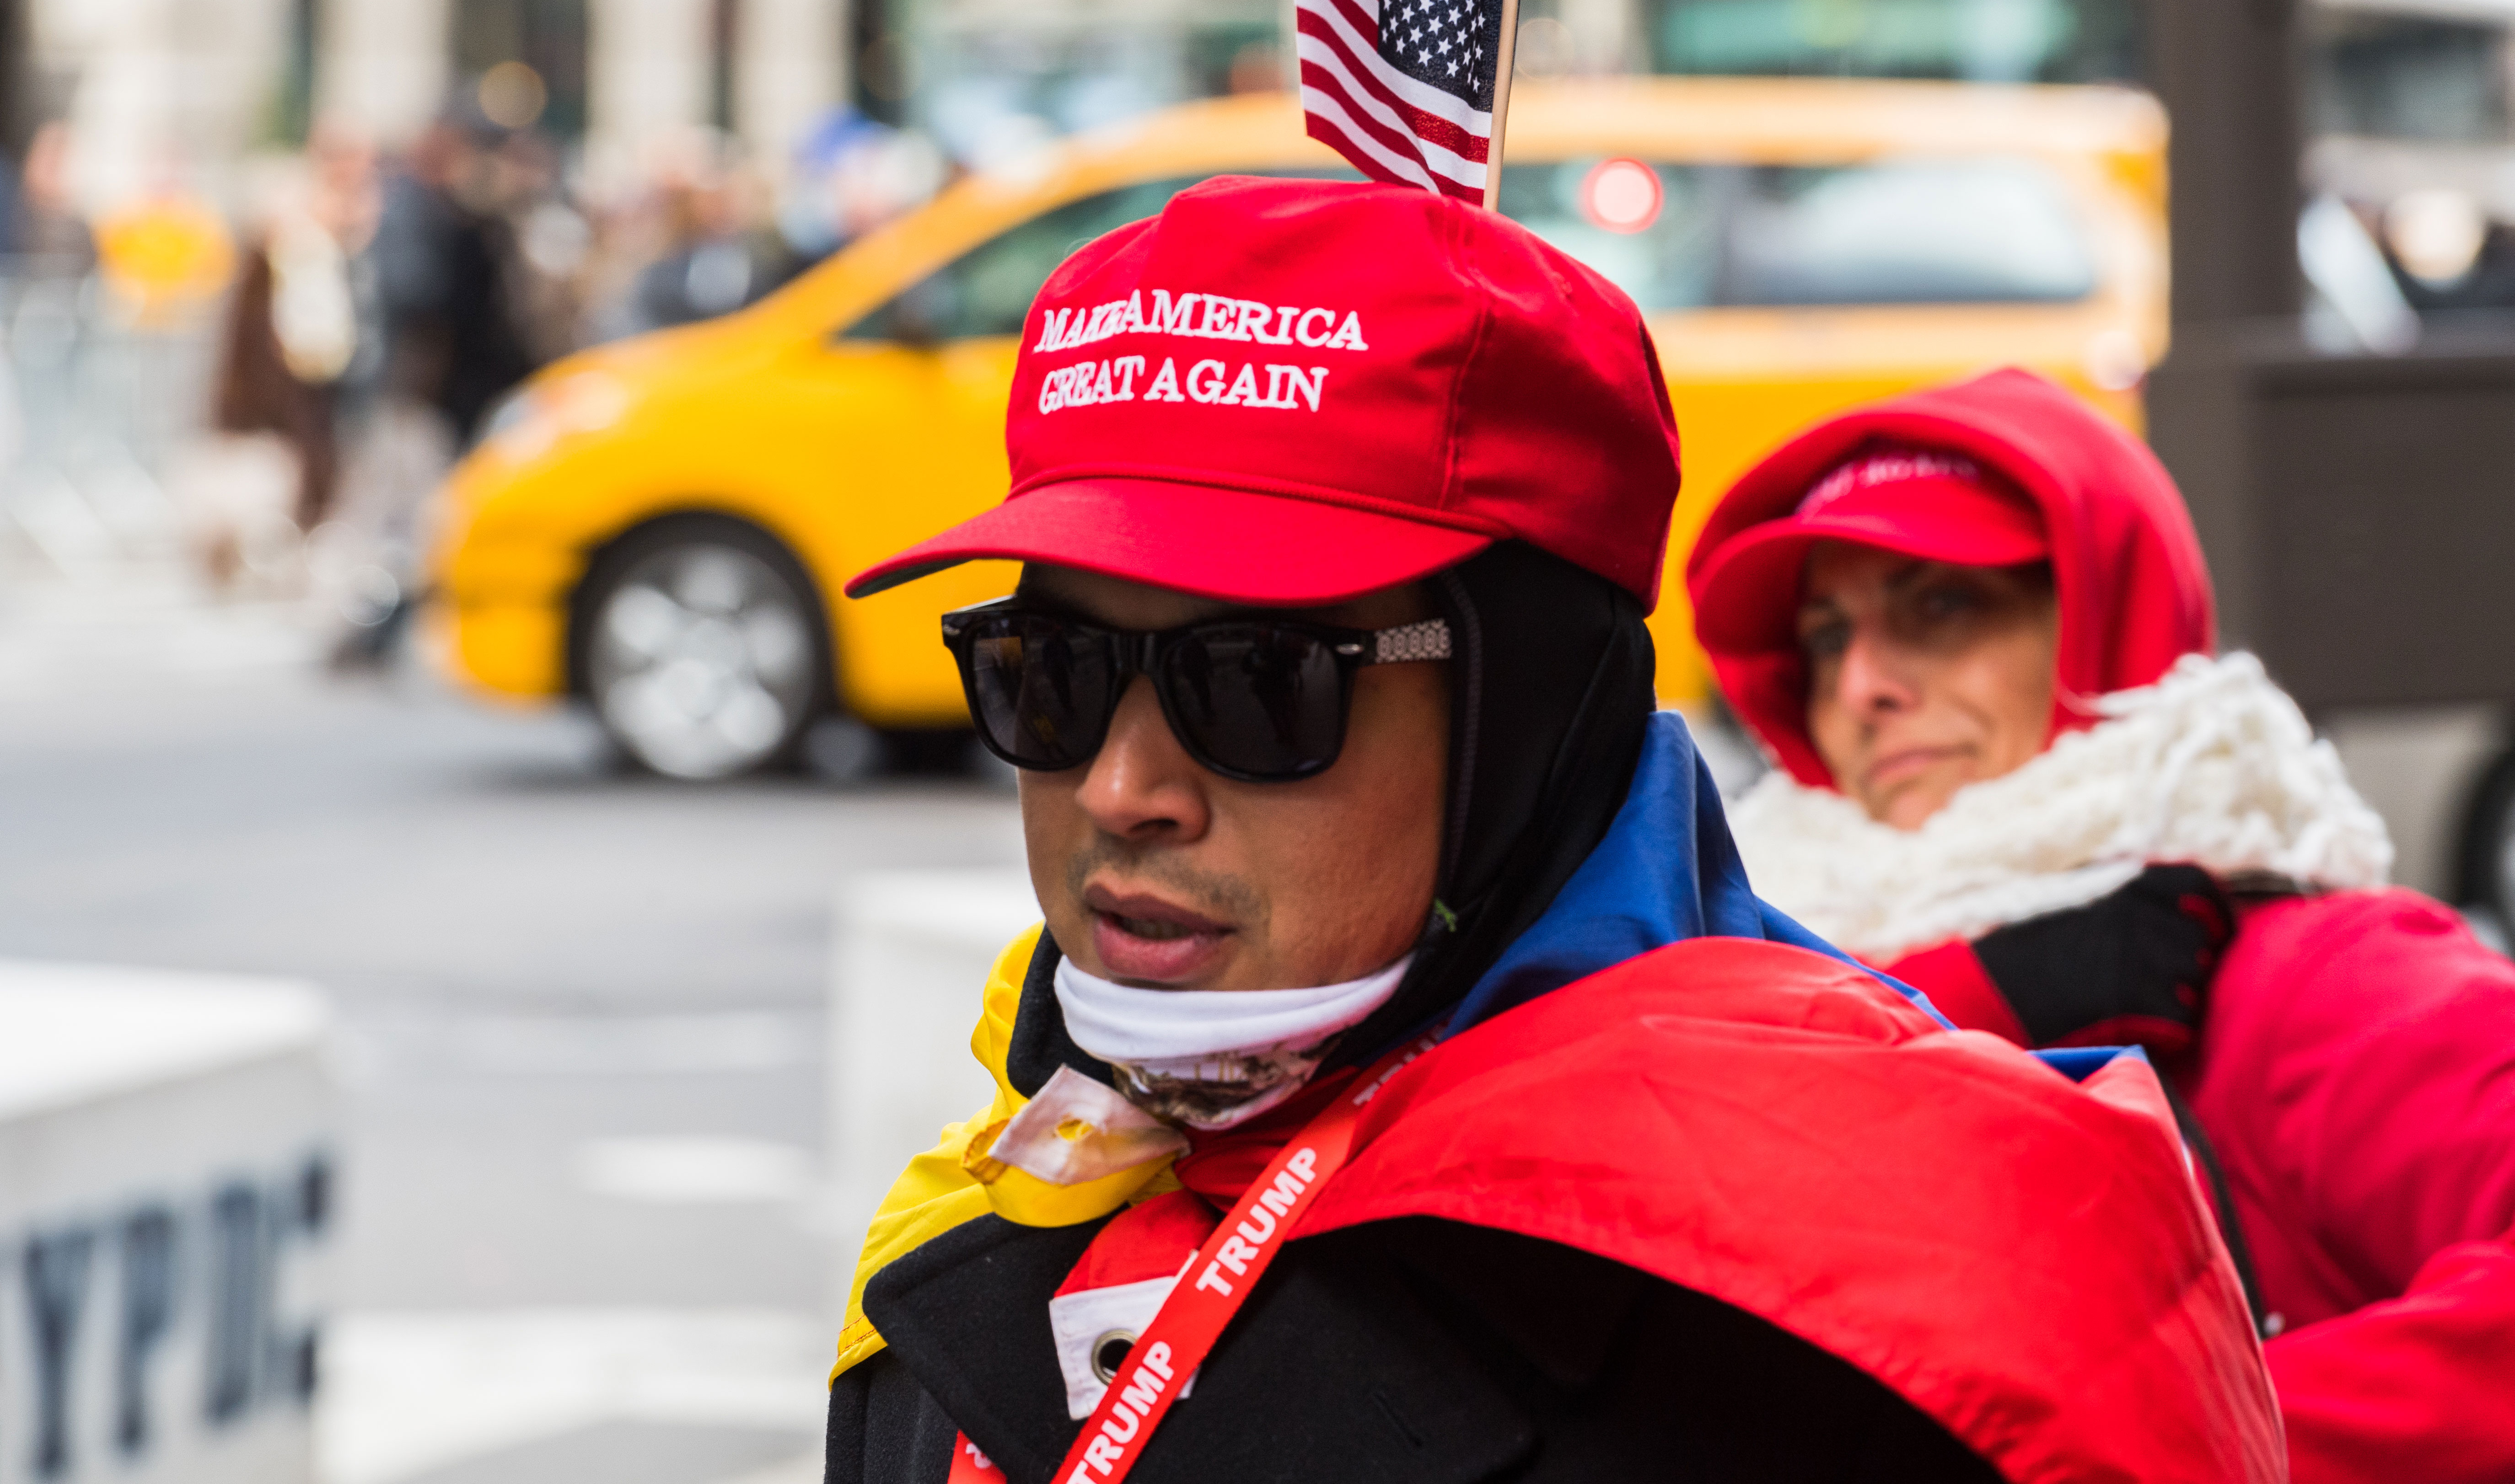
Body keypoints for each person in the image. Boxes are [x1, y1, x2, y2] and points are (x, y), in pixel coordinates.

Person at [824, 181, 2278, 1482]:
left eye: (1259, 685)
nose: (1120, 787)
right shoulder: (994, 1189)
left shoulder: (1856, 1301)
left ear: (1525, 722)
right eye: (1052, 676)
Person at [1688, 365, 2515, 1484]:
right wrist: (1970, 1002)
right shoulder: (1754, 998)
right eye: (1827, 638)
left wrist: (2173, 1448)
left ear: (2102, 624)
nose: (1865, 684)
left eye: (1941, 604)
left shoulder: (2304, 968)